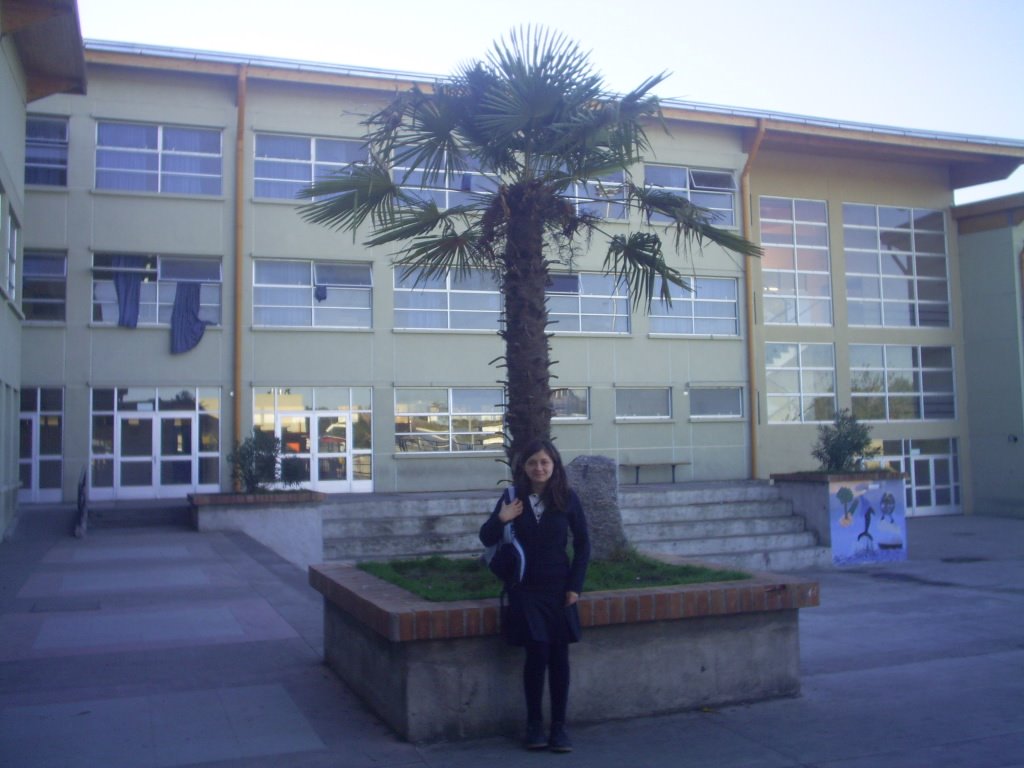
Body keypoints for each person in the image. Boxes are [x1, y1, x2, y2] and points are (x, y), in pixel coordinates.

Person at [479, 439, 591, 752]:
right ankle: (534, 726)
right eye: (533, 463)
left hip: (559, 591)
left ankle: (559, 728)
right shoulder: (512, 497)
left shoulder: (566, 498)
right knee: (537, 654)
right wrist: (501, 518)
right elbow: (486, 537)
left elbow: (583, 545)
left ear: (554, 465)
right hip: (525, 590)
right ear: (523, 467)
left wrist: (575, 587)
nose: (539, 468)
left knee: (559, 658)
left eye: (545, 462)